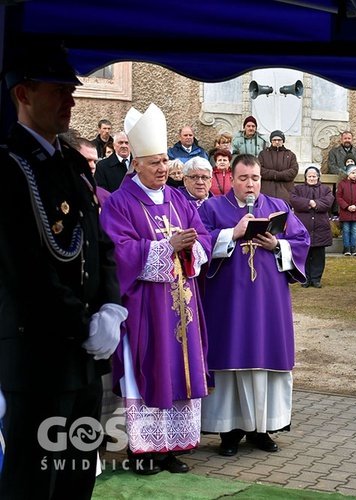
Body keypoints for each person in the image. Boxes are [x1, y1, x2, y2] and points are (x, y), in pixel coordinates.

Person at [0, 44, 125, 498]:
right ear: (23, 93)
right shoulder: (10, 168)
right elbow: (24, 269)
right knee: (34, 484)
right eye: (59, 92)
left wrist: (111, 307)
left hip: (85, 358)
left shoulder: (70, 164)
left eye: (71, 92)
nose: (71, 102)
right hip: (40, 355)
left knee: (75, 480)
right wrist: (84, 324)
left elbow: (101, 244)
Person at [100, 103, 212, 475]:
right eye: (154, 163)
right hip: (145, 307)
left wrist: (192, 246)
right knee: (149, 370)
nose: (163, 168)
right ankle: (144, 450)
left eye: (165, 161)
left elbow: (203, 237)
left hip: (183, 305)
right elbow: (120, 251)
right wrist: (167, 249)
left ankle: (172, 449)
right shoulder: (119, 203)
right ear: (136, 165)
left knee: (180, 372)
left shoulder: (179, 198)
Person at [198, 153, 309, 457]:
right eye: (243, 178)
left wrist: (278, 245)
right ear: (231, 179)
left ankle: (262, 429)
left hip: (268, 304)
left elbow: (302, 240)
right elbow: (199, 244)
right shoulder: (213, 207)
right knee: (229, 362)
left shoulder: (278, 208)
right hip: (228, 304)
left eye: (255, 178)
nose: (250, 184)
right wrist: (230, 235)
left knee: (265, 360)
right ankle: (229, 432)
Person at [290, 166, 334, 287]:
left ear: (318, 177)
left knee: (318, 255)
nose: (312, 178)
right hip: (303, 228)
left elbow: (328, 201)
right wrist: (309, 203)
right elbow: (294, 200)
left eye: (314, 176)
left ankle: (316, 279)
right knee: (305, 254)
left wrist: (317, 204)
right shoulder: (298, 189)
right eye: (309, 176)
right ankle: (305, 278)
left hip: (320, 228)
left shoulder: (325, 189)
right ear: (306, 177)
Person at [257, 130, 299, 203]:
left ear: (283, 141)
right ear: (271, 141)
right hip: (266, 194)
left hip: (285, 194)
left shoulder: (290, 155)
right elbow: (259, 170)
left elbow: (293, 171)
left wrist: (277, 175)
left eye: (279, 140)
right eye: (274, 140)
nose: (277, 142)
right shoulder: (263, 154)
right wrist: (274, 175)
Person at [336, 165, 356, 256]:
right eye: (353, 173)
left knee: (354, 230)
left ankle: (353, 248)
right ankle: (346, 248)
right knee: (346, 230)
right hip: (345, 212)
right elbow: (339, 197)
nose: (355, 175)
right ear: (348, 174)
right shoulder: (342, 184)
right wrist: (346, 206)